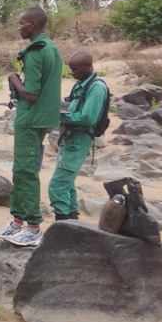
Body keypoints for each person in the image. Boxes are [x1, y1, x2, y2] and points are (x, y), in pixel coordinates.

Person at [0, 6, 62, 247]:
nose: (19, 27)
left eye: (22, 23)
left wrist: (14, 79)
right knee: (22, 170)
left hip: (31, 117)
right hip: (42, 117)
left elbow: (31, 94)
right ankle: (17, 222)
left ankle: (33, 227)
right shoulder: (51, 47)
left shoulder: (35, 52)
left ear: (33, 23)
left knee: (26, 172)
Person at [49, 50, 109, 221]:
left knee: (58, 186)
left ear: (89, 66)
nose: (72, 73)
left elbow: (87, 117)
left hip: (79, 138)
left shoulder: (96, 87)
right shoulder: (82, 83)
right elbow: (71, 102)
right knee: (68, 185)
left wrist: (60, 114)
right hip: (70, 137)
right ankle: (72, 223)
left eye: (75, 69)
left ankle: (62, 226)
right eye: (71, 69)